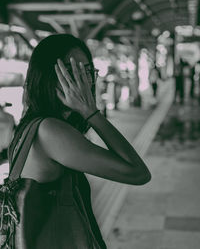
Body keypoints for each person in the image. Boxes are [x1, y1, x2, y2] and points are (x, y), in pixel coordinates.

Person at [8, 34, 151, 248]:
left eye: (87, 71)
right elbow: (138, 173)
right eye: (71, 70)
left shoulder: (32, 123)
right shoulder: (51, 131)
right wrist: (91, 112)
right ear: (48, 76)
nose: (83, 80)